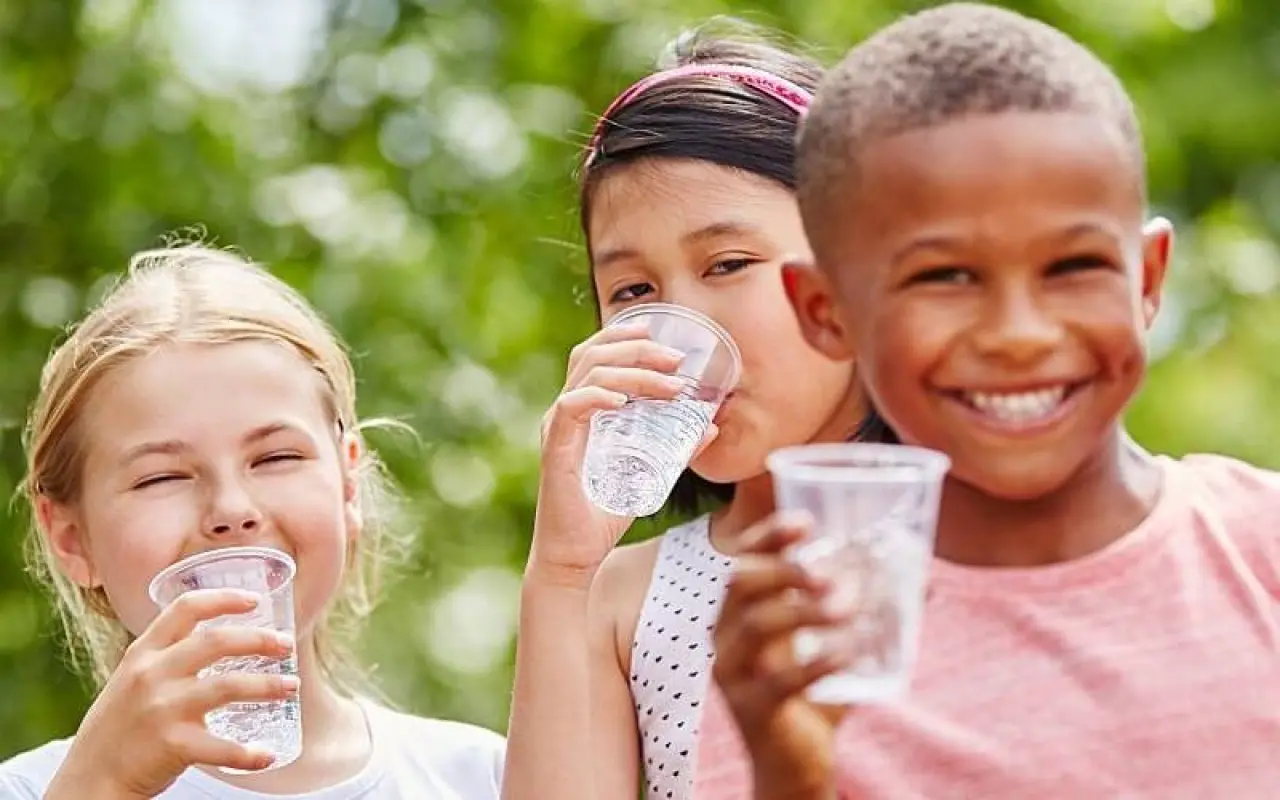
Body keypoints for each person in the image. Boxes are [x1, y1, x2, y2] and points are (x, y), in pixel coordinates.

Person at [692, 4, 1280, 798]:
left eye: (1072, 266)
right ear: (825, 311)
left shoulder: (1260, 552)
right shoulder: (812, 647)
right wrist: (787, 779)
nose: (1018, 335)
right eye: (945, 276)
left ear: (1146, 278)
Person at [502, 21, 874, 800]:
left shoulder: (978, 533)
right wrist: (562, 573)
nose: (684, 331)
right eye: (634, 292)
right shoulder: (623, 599)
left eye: (729, 264)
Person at [0, 245, 506, 799]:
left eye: (275, 458)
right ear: (71, 538)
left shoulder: (484, 777)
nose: (232, 511)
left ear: (347, 484)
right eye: (161, 477)